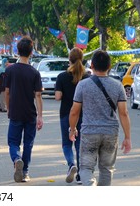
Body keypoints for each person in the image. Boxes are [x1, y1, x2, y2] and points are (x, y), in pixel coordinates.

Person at [69, 50, 131, 186]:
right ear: (109, 66)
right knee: (107, 169)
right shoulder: (118, 86)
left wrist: (72, 129)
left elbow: (74, 112)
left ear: (92, 66)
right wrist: (127, 137)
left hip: (89, 132)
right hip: (111, 133)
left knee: (85, 168)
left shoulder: (82, 85)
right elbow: (124, 113)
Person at [4, 36, 43, 183]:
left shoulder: (10, 70)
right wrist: (40, 115)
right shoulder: (34, 72)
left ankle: (16, 158)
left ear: (17, 51)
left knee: (13, 142)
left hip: (15, 112)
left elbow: (7, 92)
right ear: (31, 52)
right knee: (28, 143)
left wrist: (8, 107)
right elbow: (38, 95)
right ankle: (25, 171)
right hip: (30, 113)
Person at [55, 47, 89, 184]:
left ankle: (71, 164)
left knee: (66, 143)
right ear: (82, 59)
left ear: (69, 59)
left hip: (66, 114)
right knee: (80, 145)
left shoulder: (62, 76)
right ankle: (80, 174)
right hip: (83, 115)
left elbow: (58, 97)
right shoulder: (87, 77)